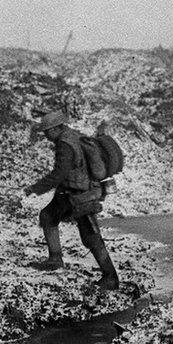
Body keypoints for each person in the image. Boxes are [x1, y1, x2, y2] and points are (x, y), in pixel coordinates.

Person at [23, 111, 119, 290]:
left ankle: (110, 276)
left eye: (47, 131)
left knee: (91, 236)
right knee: (48, 216)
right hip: (71, 191)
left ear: (56, 128)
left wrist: (35, 188)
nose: (45, 135)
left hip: (80, 195)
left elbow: (59, 173)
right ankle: (55, 258)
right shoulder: (73, 135)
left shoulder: (65, 144)